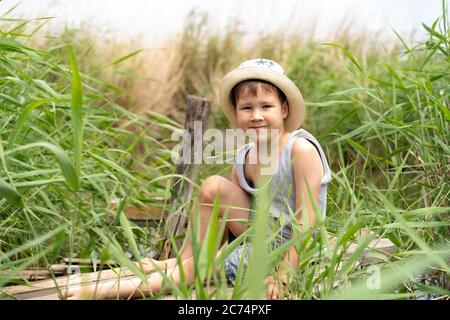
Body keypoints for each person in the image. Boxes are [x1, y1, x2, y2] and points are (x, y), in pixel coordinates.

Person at [64, 58, 332, 300]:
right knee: (213, 187)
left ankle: (103, 291)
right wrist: (220, 252)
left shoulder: (300, 150)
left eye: (266, 106)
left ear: (284, 109)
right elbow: (227, 219)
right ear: (237, 113)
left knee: (200, 269)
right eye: (247, 107)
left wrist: (285, 273)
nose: (256, 116)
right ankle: (185, 260)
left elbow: (306, 221)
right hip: (259, 237)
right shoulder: (244, 156)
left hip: (295, 250)